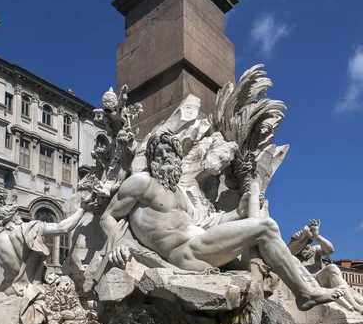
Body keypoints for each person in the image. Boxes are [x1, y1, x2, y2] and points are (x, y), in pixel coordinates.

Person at [100, 130, 344, 312]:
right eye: (159, 152)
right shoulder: (142, 182)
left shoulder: (180, 194)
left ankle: (291, 292)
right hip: (184, 253)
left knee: (259, 245)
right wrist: (119, 244)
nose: (165, 156)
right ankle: (304, 293)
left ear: (178, 157)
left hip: (200, 246)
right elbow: (108, 216)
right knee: (267, 228)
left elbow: (207, 223)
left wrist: (238, 212)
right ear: (151, 158)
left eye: (170, 151)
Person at [0, 199, 90, 324]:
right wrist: (83, 208)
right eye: (18, 214)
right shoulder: (30, 228)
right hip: (31, 290)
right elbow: (64, 227)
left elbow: (11, 268)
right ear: (14, 217)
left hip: (8, 290)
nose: (20, 217)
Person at [289, 220, 363, 314]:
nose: (306, 248)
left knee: (333, 267)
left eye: (307, 244)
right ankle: (355, 305)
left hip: (323, 280)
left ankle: (355, 304)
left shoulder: (314, 250)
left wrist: (317, 237)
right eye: (302, 244)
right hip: (310, 286)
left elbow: (330, 250)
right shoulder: (291, 256)